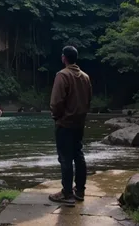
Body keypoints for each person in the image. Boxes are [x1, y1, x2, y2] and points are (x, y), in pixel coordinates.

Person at [49, 46, 92, 207]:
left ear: (63, 58)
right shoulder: (86, 77)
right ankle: (80, 191)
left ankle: (67, 194)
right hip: (79, 123)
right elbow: (88, 100)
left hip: (65, 123)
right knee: (78, 155)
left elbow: (56, 101)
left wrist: (56, 115)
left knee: (65, 158)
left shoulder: (62, 75)